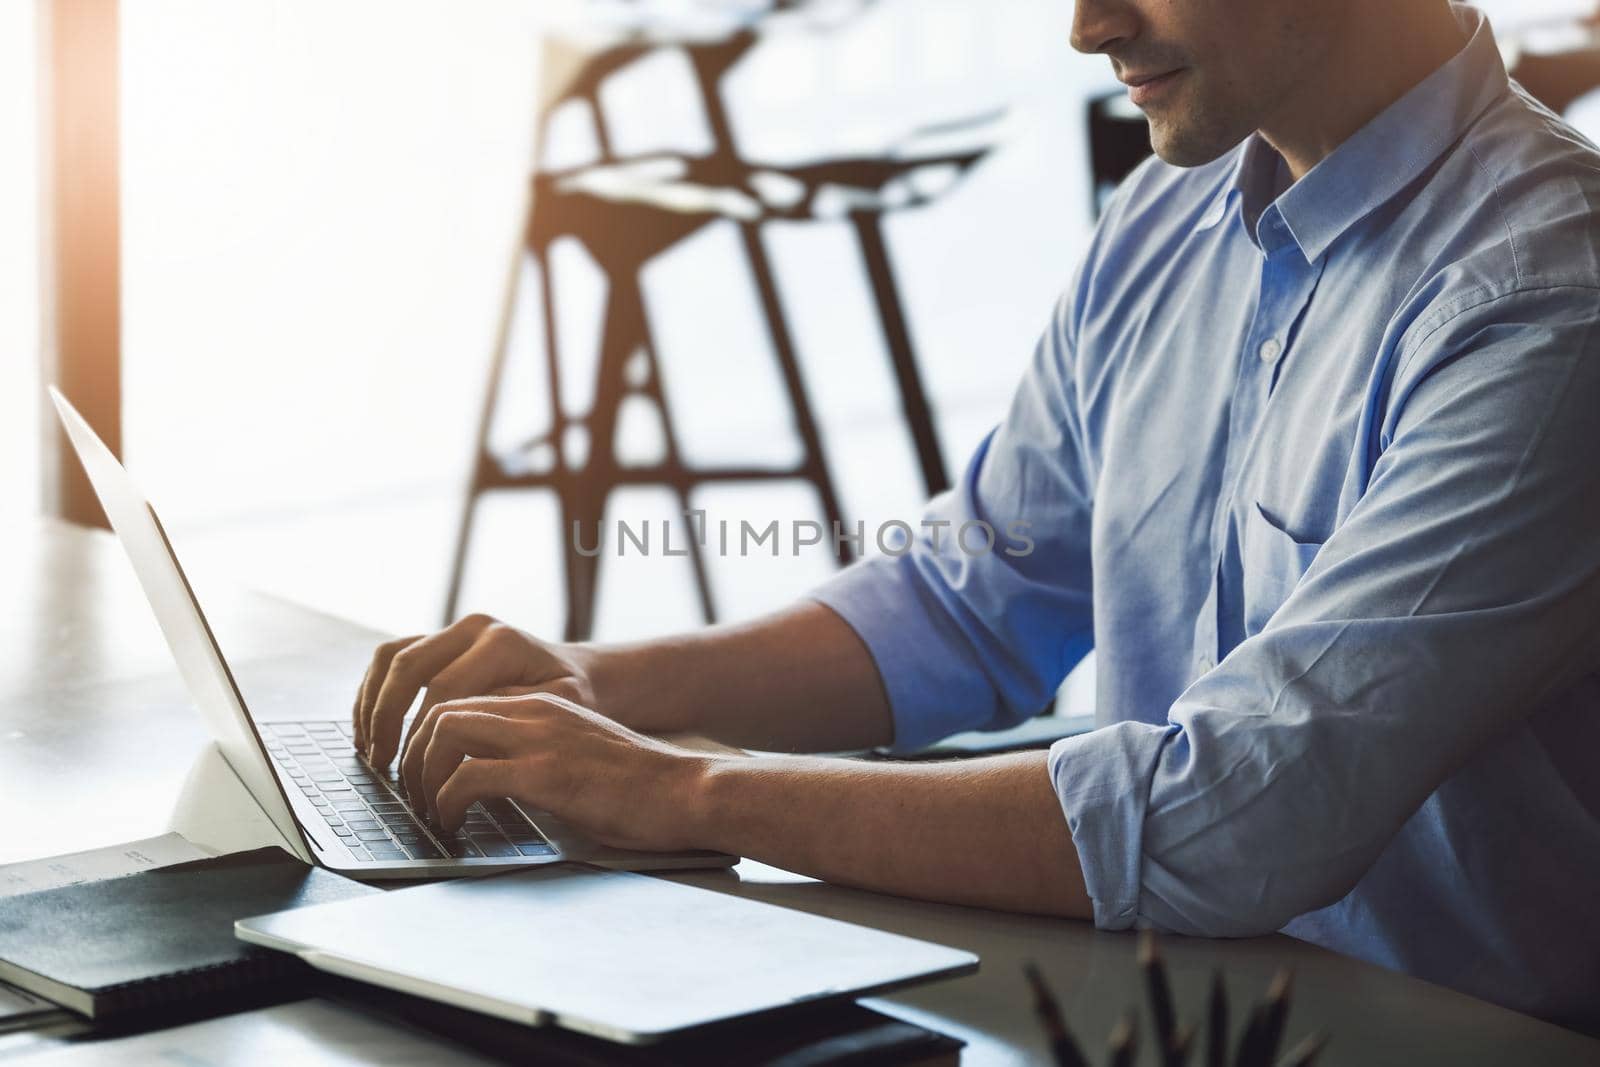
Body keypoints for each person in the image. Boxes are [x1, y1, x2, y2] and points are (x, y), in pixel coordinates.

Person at [354, 0, 1600, 1031]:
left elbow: (1236, 813)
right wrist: (595, 686)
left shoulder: (1548, 302)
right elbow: (971, 601)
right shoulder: (1168, 217)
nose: (1084, 26)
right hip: (1175, 1005)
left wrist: (684, 791)